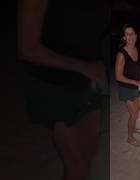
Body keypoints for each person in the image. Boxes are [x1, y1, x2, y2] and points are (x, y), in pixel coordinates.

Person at [17, 0, 108, 179]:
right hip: (53, 82)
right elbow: (27, 49)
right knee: (77, 165)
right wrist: (84, 66)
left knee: (89, 153)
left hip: (88, 79)